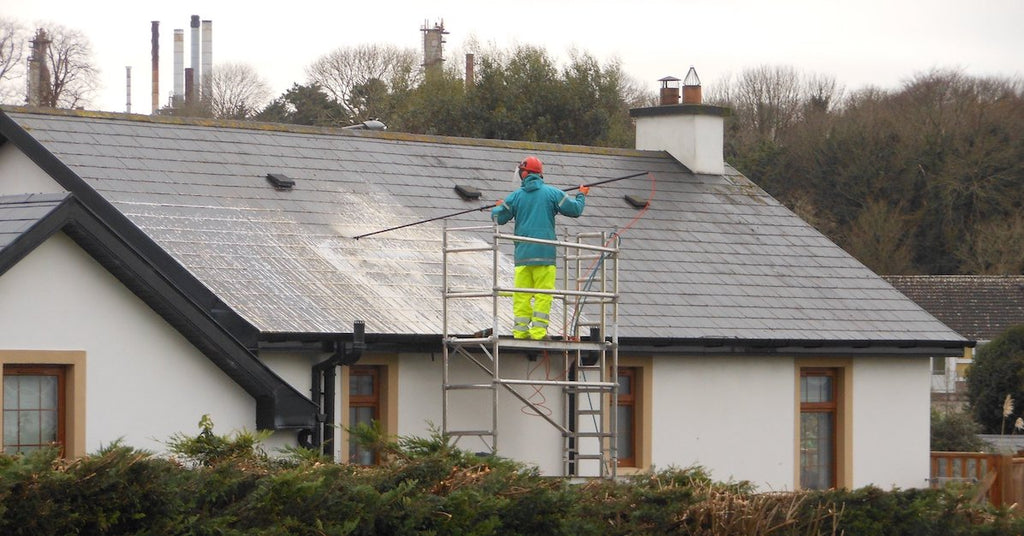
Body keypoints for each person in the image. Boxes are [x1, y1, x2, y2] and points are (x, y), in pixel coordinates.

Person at [492, 156, 589, 340]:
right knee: (543, 295)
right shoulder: (552, 194)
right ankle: (538, 333)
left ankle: (520, 332)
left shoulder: (515, 197)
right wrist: (581, 194)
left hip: (522, 257)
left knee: (521, 295)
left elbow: (499, 218)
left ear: (524, 174)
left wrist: (498, 207)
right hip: (545, 255)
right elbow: (575, 210)